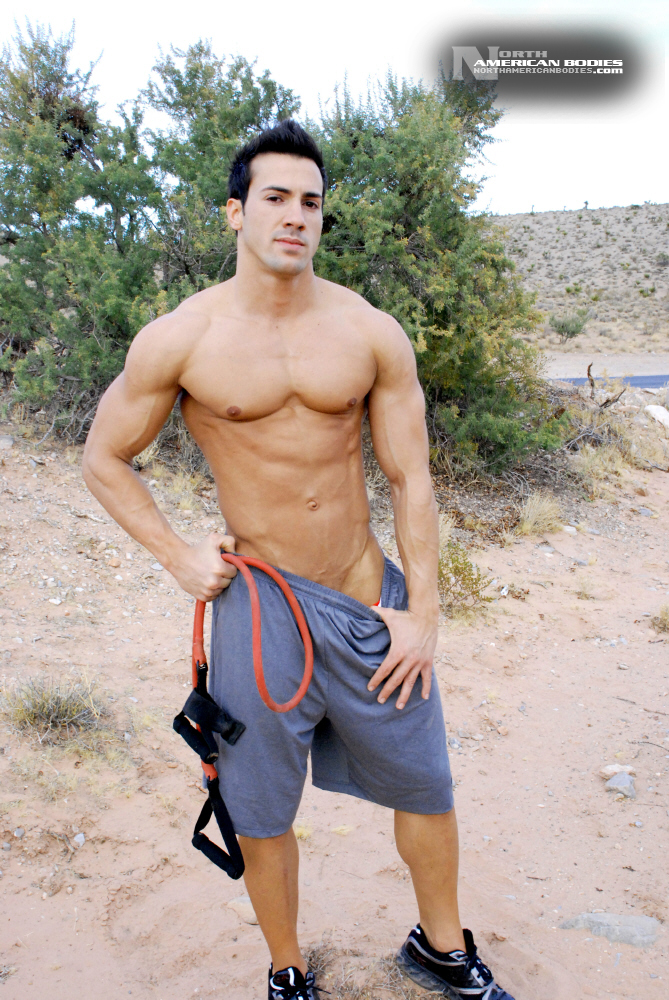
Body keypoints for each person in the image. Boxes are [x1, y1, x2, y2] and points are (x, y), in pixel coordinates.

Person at [83, 120, 514, 1000]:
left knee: (425, 785)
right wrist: (176, 556)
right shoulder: (182, 337)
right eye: (275, 198)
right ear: (234, 212)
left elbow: (411, 476)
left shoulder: (368, 331)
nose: (295, 217)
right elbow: (103, 456)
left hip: (364, 599)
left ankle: (440, 948)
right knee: (258, 804)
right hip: (260, 608)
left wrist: (422, 612)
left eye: (311, 202)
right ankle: (286, 969)